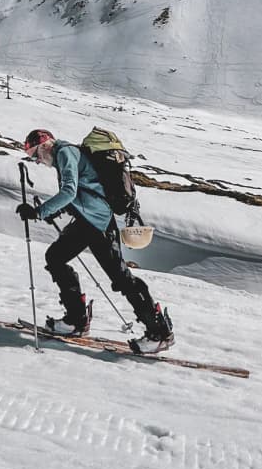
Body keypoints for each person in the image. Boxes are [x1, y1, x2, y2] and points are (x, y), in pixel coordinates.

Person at [15, 127, 174, 353]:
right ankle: (76, 322)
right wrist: (53, 211)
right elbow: (81, 191)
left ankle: (160, 333)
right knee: (56, 257)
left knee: (121, 278)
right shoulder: (65, 155)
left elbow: (69, 191)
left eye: (35, 155)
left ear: (44, 145)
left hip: (97, 224)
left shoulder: (64, 153)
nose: (38, 161)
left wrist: (39, 212)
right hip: (87, 221)